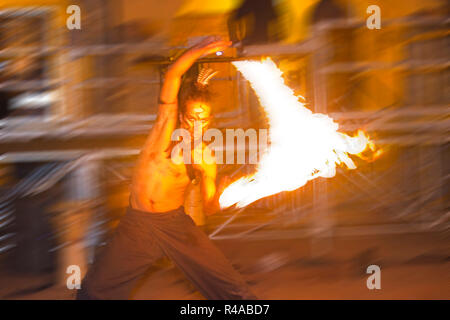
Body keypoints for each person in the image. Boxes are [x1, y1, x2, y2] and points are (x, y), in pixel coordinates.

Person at [77, 37, 257, 300]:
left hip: (175, 225)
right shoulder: (164, 128)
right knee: (95, 290)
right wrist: (199, 50)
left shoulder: (205, 156)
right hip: (137, 224)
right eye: (194, 116)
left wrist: (221, 190)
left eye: (204, 118)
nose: (199, 123)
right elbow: (174, 74)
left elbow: (209, 207)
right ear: (182, 115)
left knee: (228, 287)